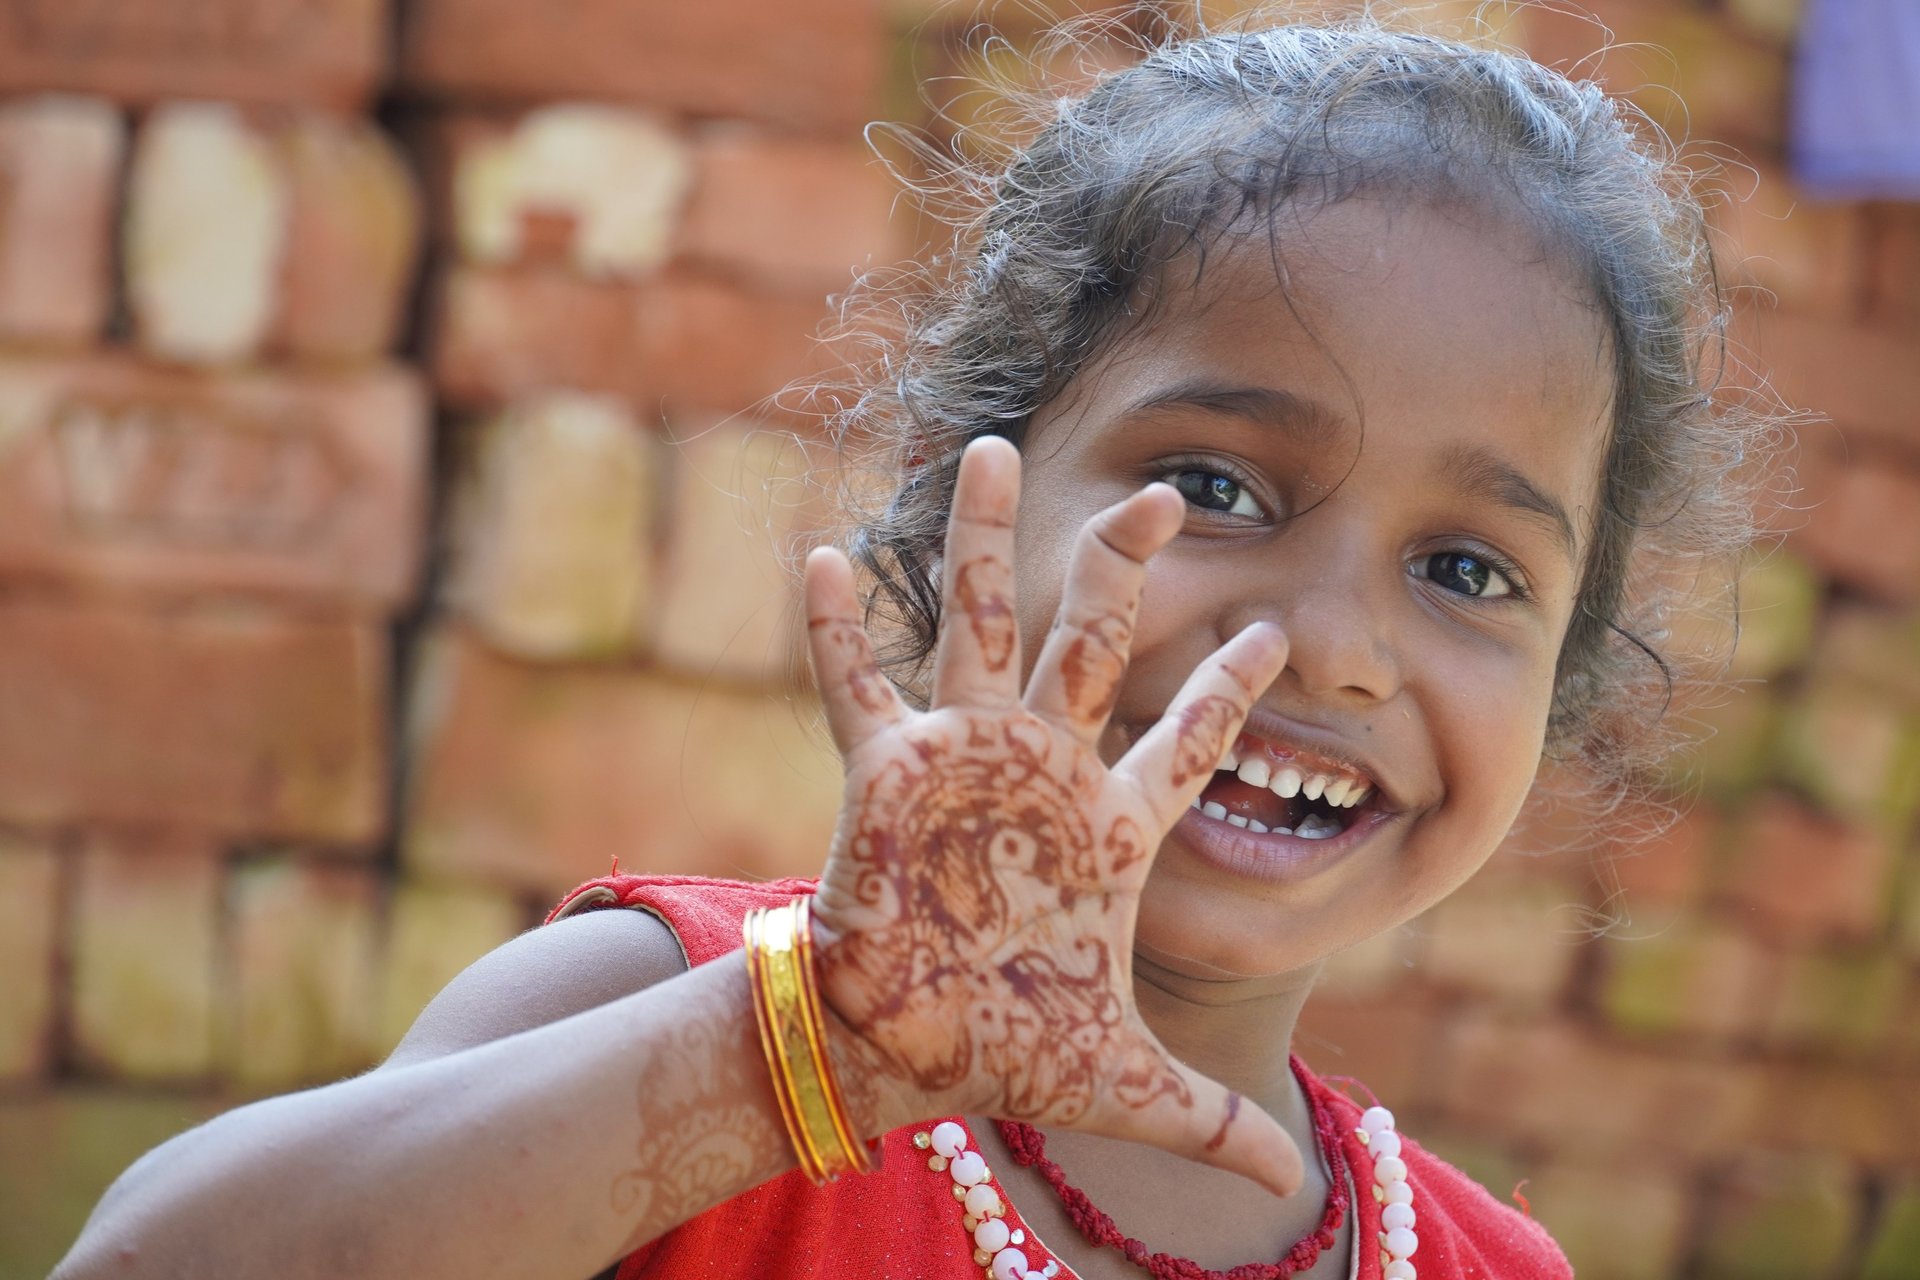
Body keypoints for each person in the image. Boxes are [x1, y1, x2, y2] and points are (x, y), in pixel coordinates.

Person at [53, 16, 1769, 1280]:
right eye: (1214, 484)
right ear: (971, 506)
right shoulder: (670, 1030)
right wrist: (802, 1061)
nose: (1330, 645)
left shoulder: (1481, 1266)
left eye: (1468, 569)